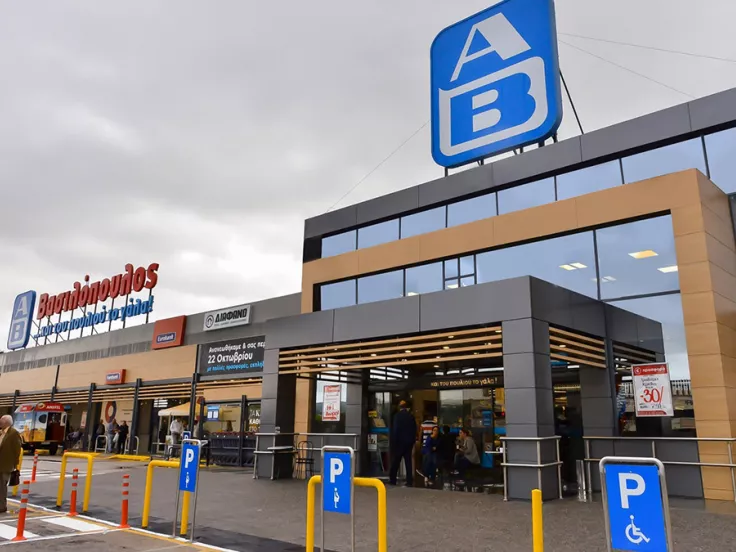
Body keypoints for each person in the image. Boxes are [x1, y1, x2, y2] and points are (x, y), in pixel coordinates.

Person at [389, 400, 417, 487]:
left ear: (399, 407)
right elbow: (414, 430)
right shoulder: (411, 416)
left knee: (396, 461)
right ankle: (409, 481)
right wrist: (412, 441)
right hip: (408, 443)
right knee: (408, 462)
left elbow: (395, 430)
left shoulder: (397, 416)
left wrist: (394, 442)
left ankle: (393, 479)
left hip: (399, 443)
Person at [0, 415, 22, 514]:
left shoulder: (13, 433)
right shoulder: (1, 433)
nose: (0, 422)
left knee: (2, 487)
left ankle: (2, 506)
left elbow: (17, 449)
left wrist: (15, 464)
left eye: (2, 421)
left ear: (7, 422)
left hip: (6, 465)